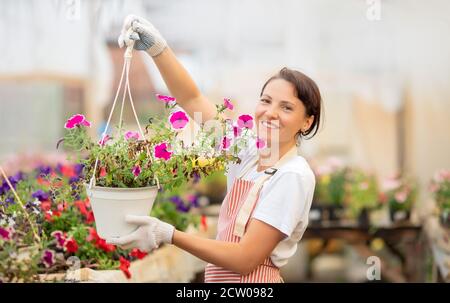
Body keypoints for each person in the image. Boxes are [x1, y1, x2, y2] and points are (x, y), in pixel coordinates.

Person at [107, 15, 322, 283]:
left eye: (286, 107)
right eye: (266, 101)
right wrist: (157, 49)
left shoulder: (292, 175)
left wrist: (169, 234)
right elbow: (192, 99)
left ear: (307, 121)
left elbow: (244, 259)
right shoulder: (248, 152)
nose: (270, 113)